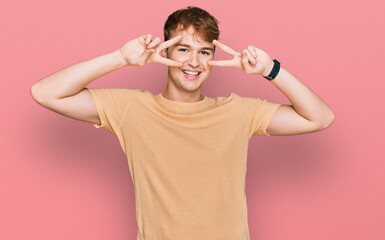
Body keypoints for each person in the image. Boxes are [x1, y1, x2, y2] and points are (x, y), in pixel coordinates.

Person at [30, 6, 335, 240]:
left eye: (204, 51)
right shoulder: (131, 108)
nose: (194, 62)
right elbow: (44, 93)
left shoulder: (238, 111)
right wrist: (120, 58)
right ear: (165, 51)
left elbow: (320, 117)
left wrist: (271, 69)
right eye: (184, 49)